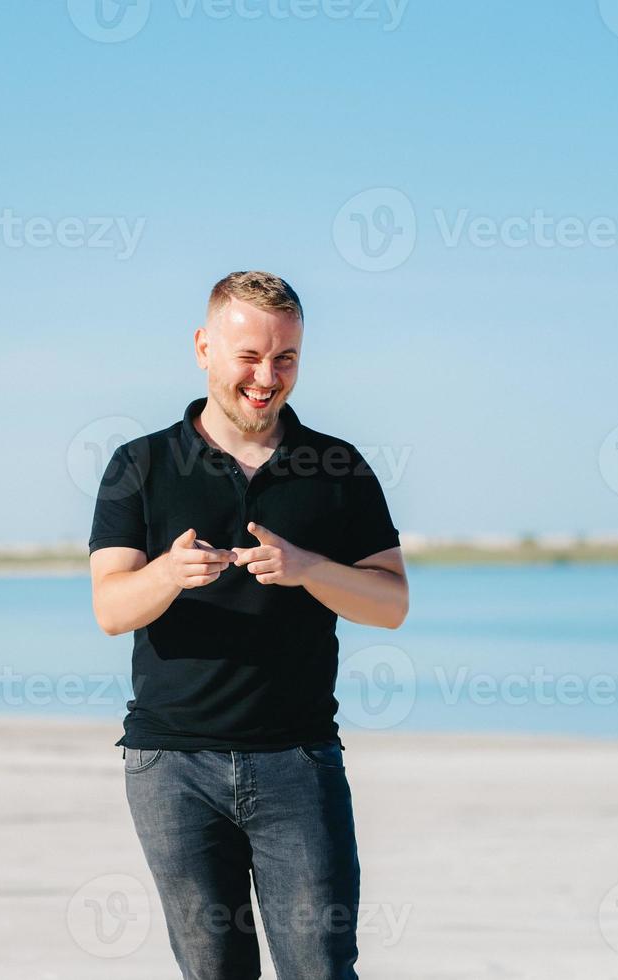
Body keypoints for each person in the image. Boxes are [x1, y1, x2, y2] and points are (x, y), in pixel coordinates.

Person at [87, 271, 409, 979]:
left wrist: (307, 568)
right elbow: (111, 609)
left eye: (285, 358)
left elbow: (390, 604)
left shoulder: (339, 466)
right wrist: (167, 574)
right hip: (171, 766)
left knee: (322, 968)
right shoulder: (138, 465)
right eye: (249, 357)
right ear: (204, 348)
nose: (267, 377)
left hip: (298, 759)